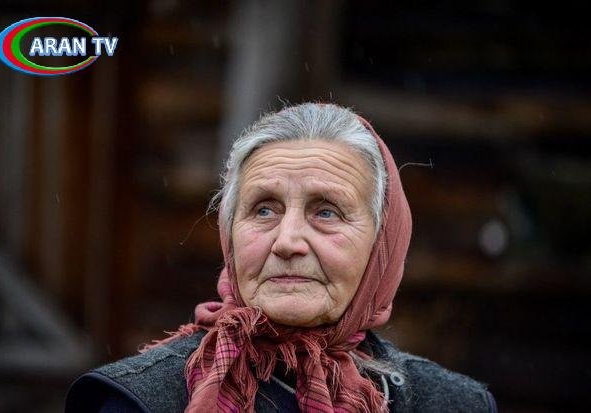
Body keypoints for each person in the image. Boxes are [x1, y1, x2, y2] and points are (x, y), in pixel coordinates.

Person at [65, 103, 497, 412]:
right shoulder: (140, 401)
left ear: (383, 244)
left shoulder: (453, 404)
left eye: (326, 212)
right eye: (264, 210)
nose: (287, 241)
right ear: (229, 236)